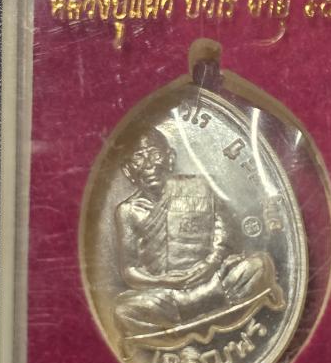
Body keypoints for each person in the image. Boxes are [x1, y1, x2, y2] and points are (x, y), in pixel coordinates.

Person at [113, 125, 284, 344]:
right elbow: (130, 271)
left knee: (259, 265)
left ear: (170, 158)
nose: (148, 165)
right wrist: (165, 281)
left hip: (214, 282)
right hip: (169, 297)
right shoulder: (127, 211)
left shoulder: (201, 187)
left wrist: (208, 267)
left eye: (154, 155)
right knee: (123, 311)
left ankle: (183, 329)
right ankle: (205, 323)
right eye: (138, 158)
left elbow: (226, 240)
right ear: (128, 170)